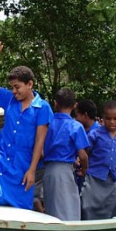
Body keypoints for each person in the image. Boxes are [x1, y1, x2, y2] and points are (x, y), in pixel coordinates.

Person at [0, 41, 52, 209]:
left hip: (22, 160)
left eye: (17, 87)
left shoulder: (42, 107)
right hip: (0, 152)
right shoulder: (9, 99)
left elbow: (40, 141)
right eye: (12, 87)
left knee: (16, 205)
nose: (14, 91)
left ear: (30, 84)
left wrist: (32, 170)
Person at [81, 101, 116, 220]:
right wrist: (83, 168)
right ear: (102, 118)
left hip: (112, 179)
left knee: (110, 210)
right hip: (93, 178)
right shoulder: (95, 134)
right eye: (108, 118)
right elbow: (85, 153)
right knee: (87, 207)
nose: (112, 122)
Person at [43, 88, 89, 221]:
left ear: (55, 103)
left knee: (52, 207)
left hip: (48, 170)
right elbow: (83, 155)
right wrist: (84, 169)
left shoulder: (47, 124)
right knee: (68, 208)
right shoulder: (75, 126)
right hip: (65, 171)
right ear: (75, 105)